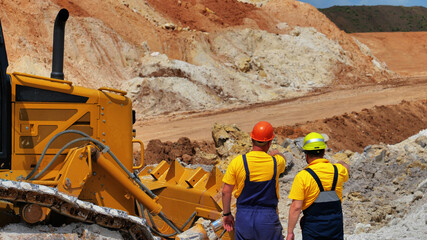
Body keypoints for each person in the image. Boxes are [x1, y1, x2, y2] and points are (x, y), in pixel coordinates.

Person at [222, 121, 286, 240]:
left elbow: (226, 191)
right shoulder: (276, 163)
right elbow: (283, 159)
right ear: (270, 142)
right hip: (268, 218)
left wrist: (226, 214)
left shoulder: (238, 162)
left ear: (252, 140)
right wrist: (276, 153)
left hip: (244, 217)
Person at [286, 132, 349, 240]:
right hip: (335, 228)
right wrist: (341, 162)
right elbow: (346, 168)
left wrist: (290, 232)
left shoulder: (303, 176)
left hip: (313, 230)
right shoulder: (338, 171)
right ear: (324, 152)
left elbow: (296, 207)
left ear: (306, 154)